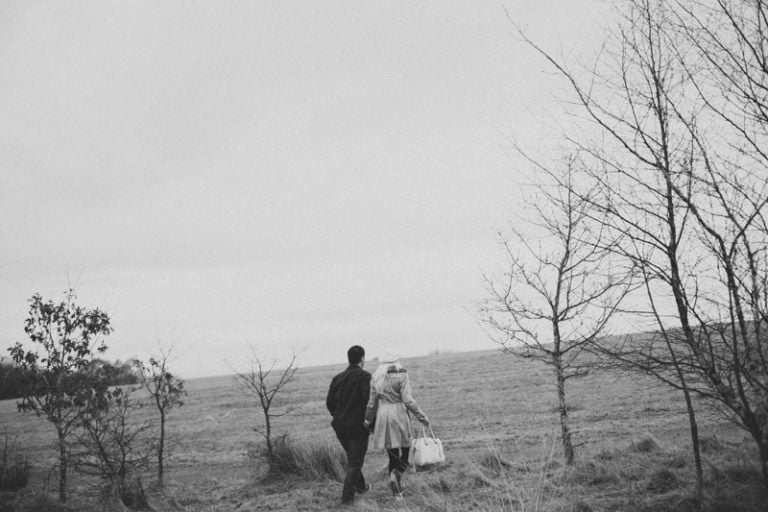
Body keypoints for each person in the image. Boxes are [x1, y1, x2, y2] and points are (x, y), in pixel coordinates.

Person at [364, 354, 429, 498]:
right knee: (406, 451)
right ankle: (397, 474)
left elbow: (372, 403)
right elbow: (408, 399)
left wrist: (367, 420)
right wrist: (421, 416)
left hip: (383, 413)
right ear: (396, 361)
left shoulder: (376, 377)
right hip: (399, 412)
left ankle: (397, 492)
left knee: (392, 454)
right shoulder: (402, 374)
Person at [326, 345, 372, 506]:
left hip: (339, 426)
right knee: (355, 462)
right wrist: (368, 421)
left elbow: (329, 402)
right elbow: (368, 401)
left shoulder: (337, 378)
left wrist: (338, 416)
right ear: (362, 359)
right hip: (357, 427)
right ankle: (347, 499)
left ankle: (361, 487)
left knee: (353, 457)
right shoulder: (365, 377)